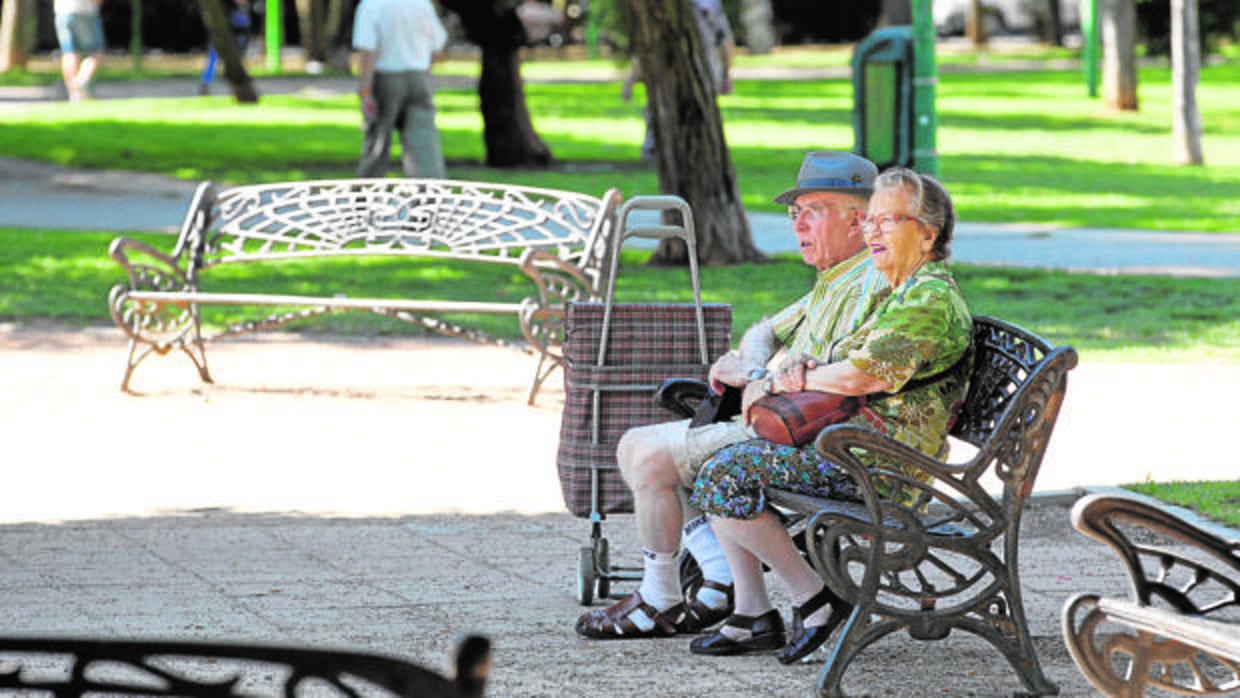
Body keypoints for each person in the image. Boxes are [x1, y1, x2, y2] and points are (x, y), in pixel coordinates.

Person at [574, 151, 890, 640]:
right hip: (784, 422)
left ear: (860, 219)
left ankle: (668, 596)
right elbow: (765, 330)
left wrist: (762, 379)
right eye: (794, 212)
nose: (799, 224)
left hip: (810, 434)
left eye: (815, 210)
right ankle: (721, 584)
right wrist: (750, 366)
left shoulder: (870, 281)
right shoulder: (834, 280)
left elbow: (835, 378)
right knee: (643, 445)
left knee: (647, 453)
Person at [686, 168, 973, 664]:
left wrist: (781, 381)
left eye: (892, 221)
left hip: (886, 468)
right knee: (723, 466)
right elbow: (840, 363)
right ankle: (789, 604)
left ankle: (814, 600)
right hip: (850, 446)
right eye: (873, 221)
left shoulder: (928, 299)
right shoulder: (898, 288)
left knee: (727, 473)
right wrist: (804, 366)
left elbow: (862, 376)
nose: (875, 231)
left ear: (928, 233)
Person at [621, 0, 734, 161]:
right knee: (664, 110)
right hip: (677, 68)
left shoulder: (708, 4)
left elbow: (724, 40)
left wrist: (726, 73)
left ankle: (681, 155)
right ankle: (655, 151)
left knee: (693, 113)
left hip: (701, 70)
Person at [351, 0, 448, 178]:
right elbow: (437, 45)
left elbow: (367, 52)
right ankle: (430, 197)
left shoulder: (371, 5)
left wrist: (365, 91)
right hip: (419, 77)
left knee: (378, 144)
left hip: (385, 78)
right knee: (424, 145)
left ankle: (366, 198)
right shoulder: (422, 4)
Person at [53, 0, 104, 103]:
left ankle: (75, 94)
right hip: (85, 13)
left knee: (69, 53)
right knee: (95, 52)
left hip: (61, 12)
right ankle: (81, 80)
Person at [199, 0, 252, 96]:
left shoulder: (240, 7)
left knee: (235, 60)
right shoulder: (225, 6)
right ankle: (206, 83)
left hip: (238, 34)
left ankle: (236, 84)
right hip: (226, 34)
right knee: (213, 59)